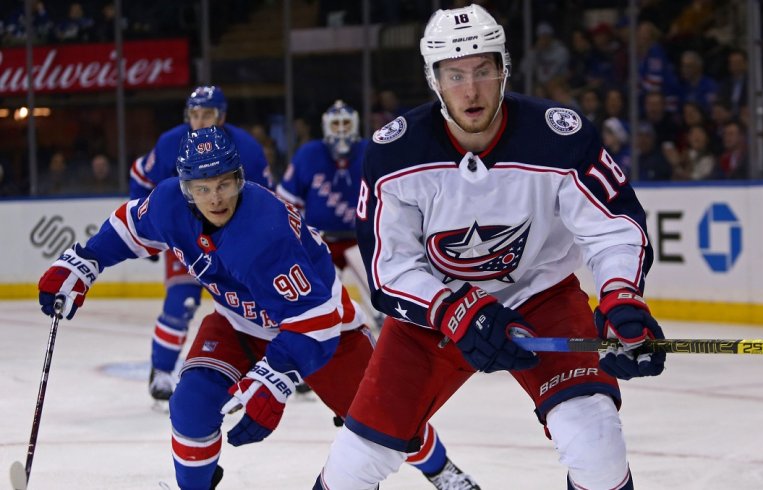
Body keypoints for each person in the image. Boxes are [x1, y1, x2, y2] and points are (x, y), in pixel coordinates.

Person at [314, 5, 665, 489]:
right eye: (455, 74)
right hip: (432, 317)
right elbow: (387, 266)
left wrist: (622, 295)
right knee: (355, 466)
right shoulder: (396, 153)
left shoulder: (557, 136)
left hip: (539, 300)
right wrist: (455, 309)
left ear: (504, 69)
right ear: (434, 79)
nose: (471, 90)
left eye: (483, 70)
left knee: (597, 446)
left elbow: (613, 227)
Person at [37, 127, 481, 490]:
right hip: (240, 325)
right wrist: (85, 261)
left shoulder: (264, 234)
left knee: (387, 424)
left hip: (325, 335)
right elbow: (130, 226)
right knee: (190, 405)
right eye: (203, 187)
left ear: (239, 178)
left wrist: (276, 378)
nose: (216, 198)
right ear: (186, 186)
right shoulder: (172, 201)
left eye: (225, 183)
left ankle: (440, 469)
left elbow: (317, 316)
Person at [129, 86, 273, 402]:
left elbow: (267, 197)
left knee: (254, 304)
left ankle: (275, 367)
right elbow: (140, 175)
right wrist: (144, 230)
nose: (200, 120)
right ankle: (163, 371)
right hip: (186, 236)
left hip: (235, 240)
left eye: (207, 113)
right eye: (195, 113)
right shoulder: (171, 142)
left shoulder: (246, 147)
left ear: (221, 116)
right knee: (182, 301)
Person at [277, 100, 364, 270]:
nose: (340, 129)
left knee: (371, 294)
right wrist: (302, 240)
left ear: (355, 124)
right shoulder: (308, 154)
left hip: (362, 245)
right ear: (326, 126)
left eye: (346, 123)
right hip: (320, 244)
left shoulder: (370, 152)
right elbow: (286, 204)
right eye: (335, 124)